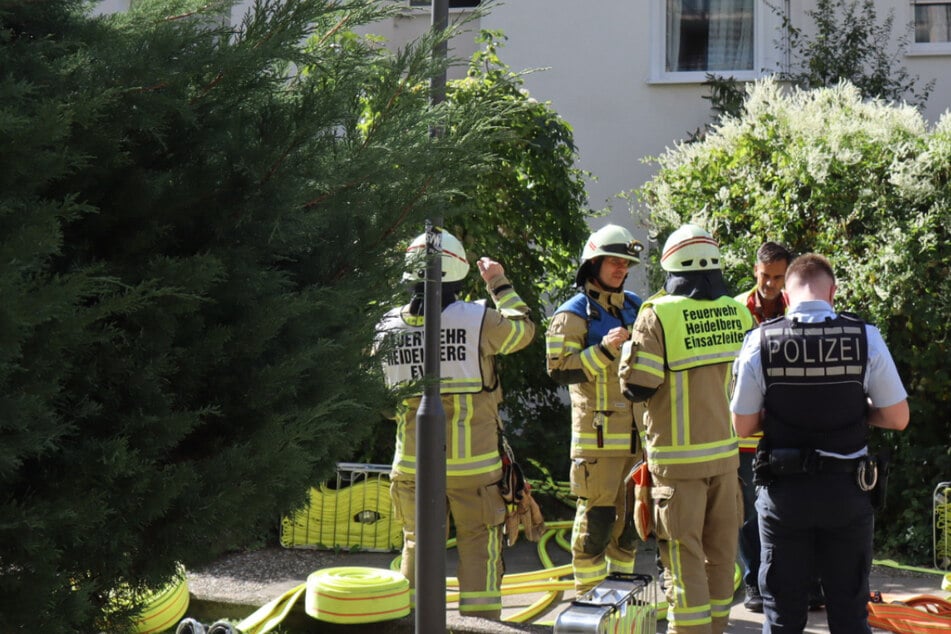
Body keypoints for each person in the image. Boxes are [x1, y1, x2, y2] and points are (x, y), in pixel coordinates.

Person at [731, 253, 909, 634]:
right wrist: (863, 413)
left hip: (784, 497)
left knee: (782, 617)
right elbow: (898, 418)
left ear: (787, 294)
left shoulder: (760, 340)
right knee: (849, 615)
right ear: (833, 292)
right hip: (847, 492)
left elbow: (742, 426)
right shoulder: (865, 338)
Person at [374, 229, 535, 619]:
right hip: (474, 469)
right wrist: (499, 282)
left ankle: (413, 624)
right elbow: (524, 330)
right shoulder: (479, 320)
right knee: (479, 548)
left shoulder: (385, 327)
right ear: (458, 273)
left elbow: (382, 404)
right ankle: (480, 627)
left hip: (412, 466)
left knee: (417, 546)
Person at [619, 223, 752, 634]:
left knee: (683, 556)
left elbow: (637, 387)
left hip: (676, 466)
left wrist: (628, 351)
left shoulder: (657, 315)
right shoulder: (738, 310)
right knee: (720, 555)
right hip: (727, 460)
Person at [545, 223, 644, 593]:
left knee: (631, 526)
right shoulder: (572, 314)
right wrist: (604, 349)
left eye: (626, 264)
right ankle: (589, 600)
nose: (621, 269)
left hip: (637, 440)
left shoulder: (636, 307)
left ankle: (622, 599)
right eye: (613, 262)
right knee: (597, 525)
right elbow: (558, 371)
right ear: (593, 264)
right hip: (597, 440)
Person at [732, 241, 811, 613]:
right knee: (748, 512)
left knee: (795, 509)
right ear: (754, 271)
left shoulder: (800, 309)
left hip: (789, 430)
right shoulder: (733, 311)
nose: (771, 285)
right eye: (765, 277)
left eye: (779, 277)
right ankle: (754, 585)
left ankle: (800, 584)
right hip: (747, 432)